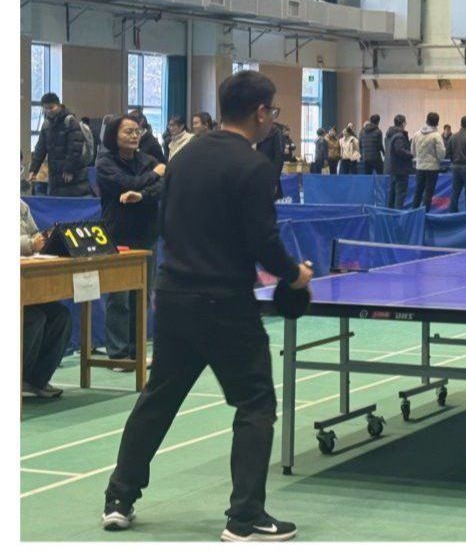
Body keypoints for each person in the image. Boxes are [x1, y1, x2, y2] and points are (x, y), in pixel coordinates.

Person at [103, 70, 312, 541]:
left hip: (174, 296)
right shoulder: (254, 167)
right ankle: (245, 518)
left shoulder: (183, 157)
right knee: (256, 402)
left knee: (158, 399)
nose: (272, 118)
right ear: (260, 112)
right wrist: (295, 274)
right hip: (226, 303)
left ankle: (119, 498)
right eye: (273, 111)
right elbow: (264, 243)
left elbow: (165, 224)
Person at [93, 114, 167, 363]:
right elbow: (126, 183)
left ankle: (137, 350)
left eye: (138, 131)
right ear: (114, 135)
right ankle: (118, 353)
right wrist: (153, 176)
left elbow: (162, 187)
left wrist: (142, 195)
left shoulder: (148, 160)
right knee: (119, 296)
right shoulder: (105, 163)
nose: (134, 135)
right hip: (118, 236)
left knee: (142, 295)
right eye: (128, 131)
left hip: (147, 234)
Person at [21, 203, 71, 399]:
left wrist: (44, 238)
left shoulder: (20, 205)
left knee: (60, 316)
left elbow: (34, 233)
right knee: (34, 318)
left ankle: (36, 380)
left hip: (26, 278)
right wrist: (30, 244)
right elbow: (30, 241)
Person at [28, 93, 94, 196]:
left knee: (72, 201)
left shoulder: (70, 121)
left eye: (51, 107)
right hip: (55, 176)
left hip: (73, 175)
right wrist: (33, 169)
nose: (48, 111)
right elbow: (40, 148)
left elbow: (75, 148)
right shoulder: (46, 124)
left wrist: (69, 169)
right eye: (45, 108)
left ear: (59, 105)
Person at [411, 113, 446, 211]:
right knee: (428, 193)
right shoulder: (436, 136)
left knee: (418, 192)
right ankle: (425, 214)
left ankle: (413, 214)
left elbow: (412, 152)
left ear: (426, 120)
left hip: (419, 168)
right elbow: (441, 154)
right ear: (437, 122)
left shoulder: (416, 134)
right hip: (432, 169)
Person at [385, 115, 413, 209]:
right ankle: (398, 214)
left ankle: (390, 213)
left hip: (394, 168)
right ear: (403, 123)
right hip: (401, 169)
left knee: (393, 194)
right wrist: (411, 154)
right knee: (400, 195)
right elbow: (399, 150)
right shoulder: (399, 136)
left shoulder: (391, 134)